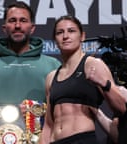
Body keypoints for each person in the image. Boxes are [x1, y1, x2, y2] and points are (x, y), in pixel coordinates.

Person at [0, 1, 61, 143]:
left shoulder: (53, 66)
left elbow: (64, 112)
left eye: (23, 21)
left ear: (32, 28)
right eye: (12, 21)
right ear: (4, 28)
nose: (17, 25)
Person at [39, 15, 126, 144]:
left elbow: (121, 108)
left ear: (82, 36)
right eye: (60, 32)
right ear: (55, 40)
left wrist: (105, 84)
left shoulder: (93, 65)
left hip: (81, 140)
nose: (65, 36)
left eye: (71, 31)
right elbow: (48, 125)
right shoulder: (51, 77)